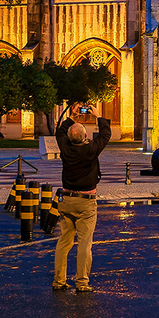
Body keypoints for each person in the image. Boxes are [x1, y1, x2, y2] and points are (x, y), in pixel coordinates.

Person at [53, 107, 111, 293]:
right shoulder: (91, 149)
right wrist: (98, 116)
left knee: (64, 241)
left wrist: (71, 117)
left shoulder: (65, 147)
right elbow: (105, 135)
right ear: (85, 137)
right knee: (85, 243)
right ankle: (82, 282)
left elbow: (59, 132)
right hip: (86, 202)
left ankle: (59, 281)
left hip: (67, 200)